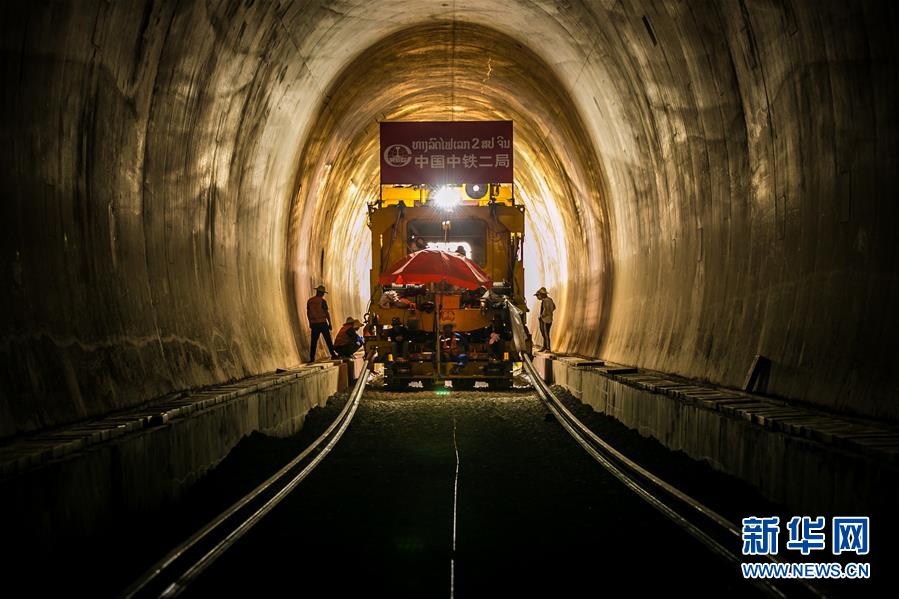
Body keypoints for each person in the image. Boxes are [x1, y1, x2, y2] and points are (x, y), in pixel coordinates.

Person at [307, 285, 339, 361]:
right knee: (328, 340)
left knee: (314, 342)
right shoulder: (322, 301)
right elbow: (326, 313)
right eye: (323, 293)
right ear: (321, 293)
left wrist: (310, 322)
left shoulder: (310, 301)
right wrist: (330, 323)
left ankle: (312, 358)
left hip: (314, 324)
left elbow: (308, 313)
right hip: (322, 323)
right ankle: (333, 354)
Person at [534, 287, 556, 351]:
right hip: (549, 319)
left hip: (545, 320)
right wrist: (550, 313)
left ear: (542, 294)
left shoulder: (545, 301)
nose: (538, 297)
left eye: (538, 295)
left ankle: (548, 348)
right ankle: (545, 346)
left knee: (545, 334)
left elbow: (545, 310)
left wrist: (542, 316)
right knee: (545, 334)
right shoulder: (550, 300)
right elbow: (554, 307)